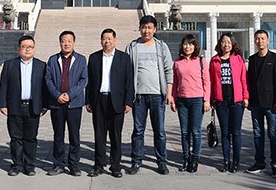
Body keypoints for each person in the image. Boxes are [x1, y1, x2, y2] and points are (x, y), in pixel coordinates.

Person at [125, 15, 174, 175]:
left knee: (159, 131)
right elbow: (126, 73)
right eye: (144, 27)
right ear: (140, 28)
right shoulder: (132, 47)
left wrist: (169, 93)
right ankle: (136, 162)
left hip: (157, 95)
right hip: (139, 96)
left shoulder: (161, 47)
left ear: (154, 29)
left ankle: (162, 162)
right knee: (138, 131)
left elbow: (168, 70)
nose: (146, 31)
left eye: (149, 28)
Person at [85, 28, 134, 178]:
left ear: (115, 40)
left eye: (109, 38)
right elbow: (89, 81)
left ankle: (115, 166)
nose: (107, 41)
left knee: (115, 135)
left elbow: (129, 82)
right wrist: (88, 100)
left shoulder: (124, 58)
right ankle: (99, 165)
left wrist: (128, 102)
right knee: (99, 134)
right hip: (99, 100)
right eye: (104, 39)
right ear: (101, 41)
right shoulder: (94, 57)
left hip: (117, 101)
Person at [0, 35, 47, 177]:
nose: (27, 49)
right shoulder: (9, 64)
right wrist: (2, 104)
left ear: (34, 49)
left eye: (30, 47)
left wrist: (44, 106)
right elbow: (4, 85)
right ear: (18, 48)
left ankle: (29, 165)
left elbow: (44, 88)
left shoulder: (41, 65)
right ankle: (16, 165)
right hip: (15, 106)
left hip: (33, 106)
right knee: (15, 138)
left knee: (31, 138)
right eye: (24, 47)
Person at [45, 30, 88, 176]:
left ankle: (74, 165)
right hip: (56, 103)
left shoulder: (81, 59)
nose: (66, 43)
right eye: (64, 41)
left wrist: (69, 95)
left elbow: (83, 80)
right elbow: (48, 79)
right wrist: (57, 95)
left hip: (74, 104)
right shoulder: (53, 60)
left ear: (74, 43)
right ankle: (58, 164)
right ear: (60, 42)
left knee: (74, 135)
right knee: (58, 135)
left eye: (69, 41)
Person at [246, 29, 276, 178]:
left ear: (268, 41)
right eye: (257, 38)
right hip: (256, 103)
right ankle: (259, 162)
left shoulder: (275, 59)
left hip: (271, 103)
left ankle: (275, 164)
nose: (260, 41)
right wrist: (248, 99)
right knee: (257, 134)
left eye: (262, 38)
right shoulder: (252, 59)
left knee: (273, 134)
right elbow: (250, 82)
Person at [209, 33, 249, 173]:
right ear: (220, 44)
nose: (226, 44)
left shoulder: (238, 59)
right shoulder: (214, 60)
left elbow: (244, 79)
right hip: (221, 101)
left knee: (236, 132)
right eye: (223, 42)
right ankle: (226, 161)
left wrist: (245, 97)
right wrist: (211, 98)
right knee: (225, 132)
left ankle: (236, 161)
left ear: (233, 44)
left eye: (228, 42)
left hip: (236, 100)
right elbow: (211, 81)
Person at [171, 34, 210, 173]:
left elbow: (207, 81)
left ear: (195, 46)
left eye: (190, 44)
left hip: (197, 100)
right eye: (185, 44)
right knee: (184, 132)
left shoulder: (201, 61)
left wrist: (207, 99)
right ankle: (186, 158)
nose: (187, 47)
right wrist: (173, 99)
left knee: (196, 131)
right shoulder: (177, 62)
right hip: (182, 100)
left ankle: (195, 159)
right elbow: (175, 82)